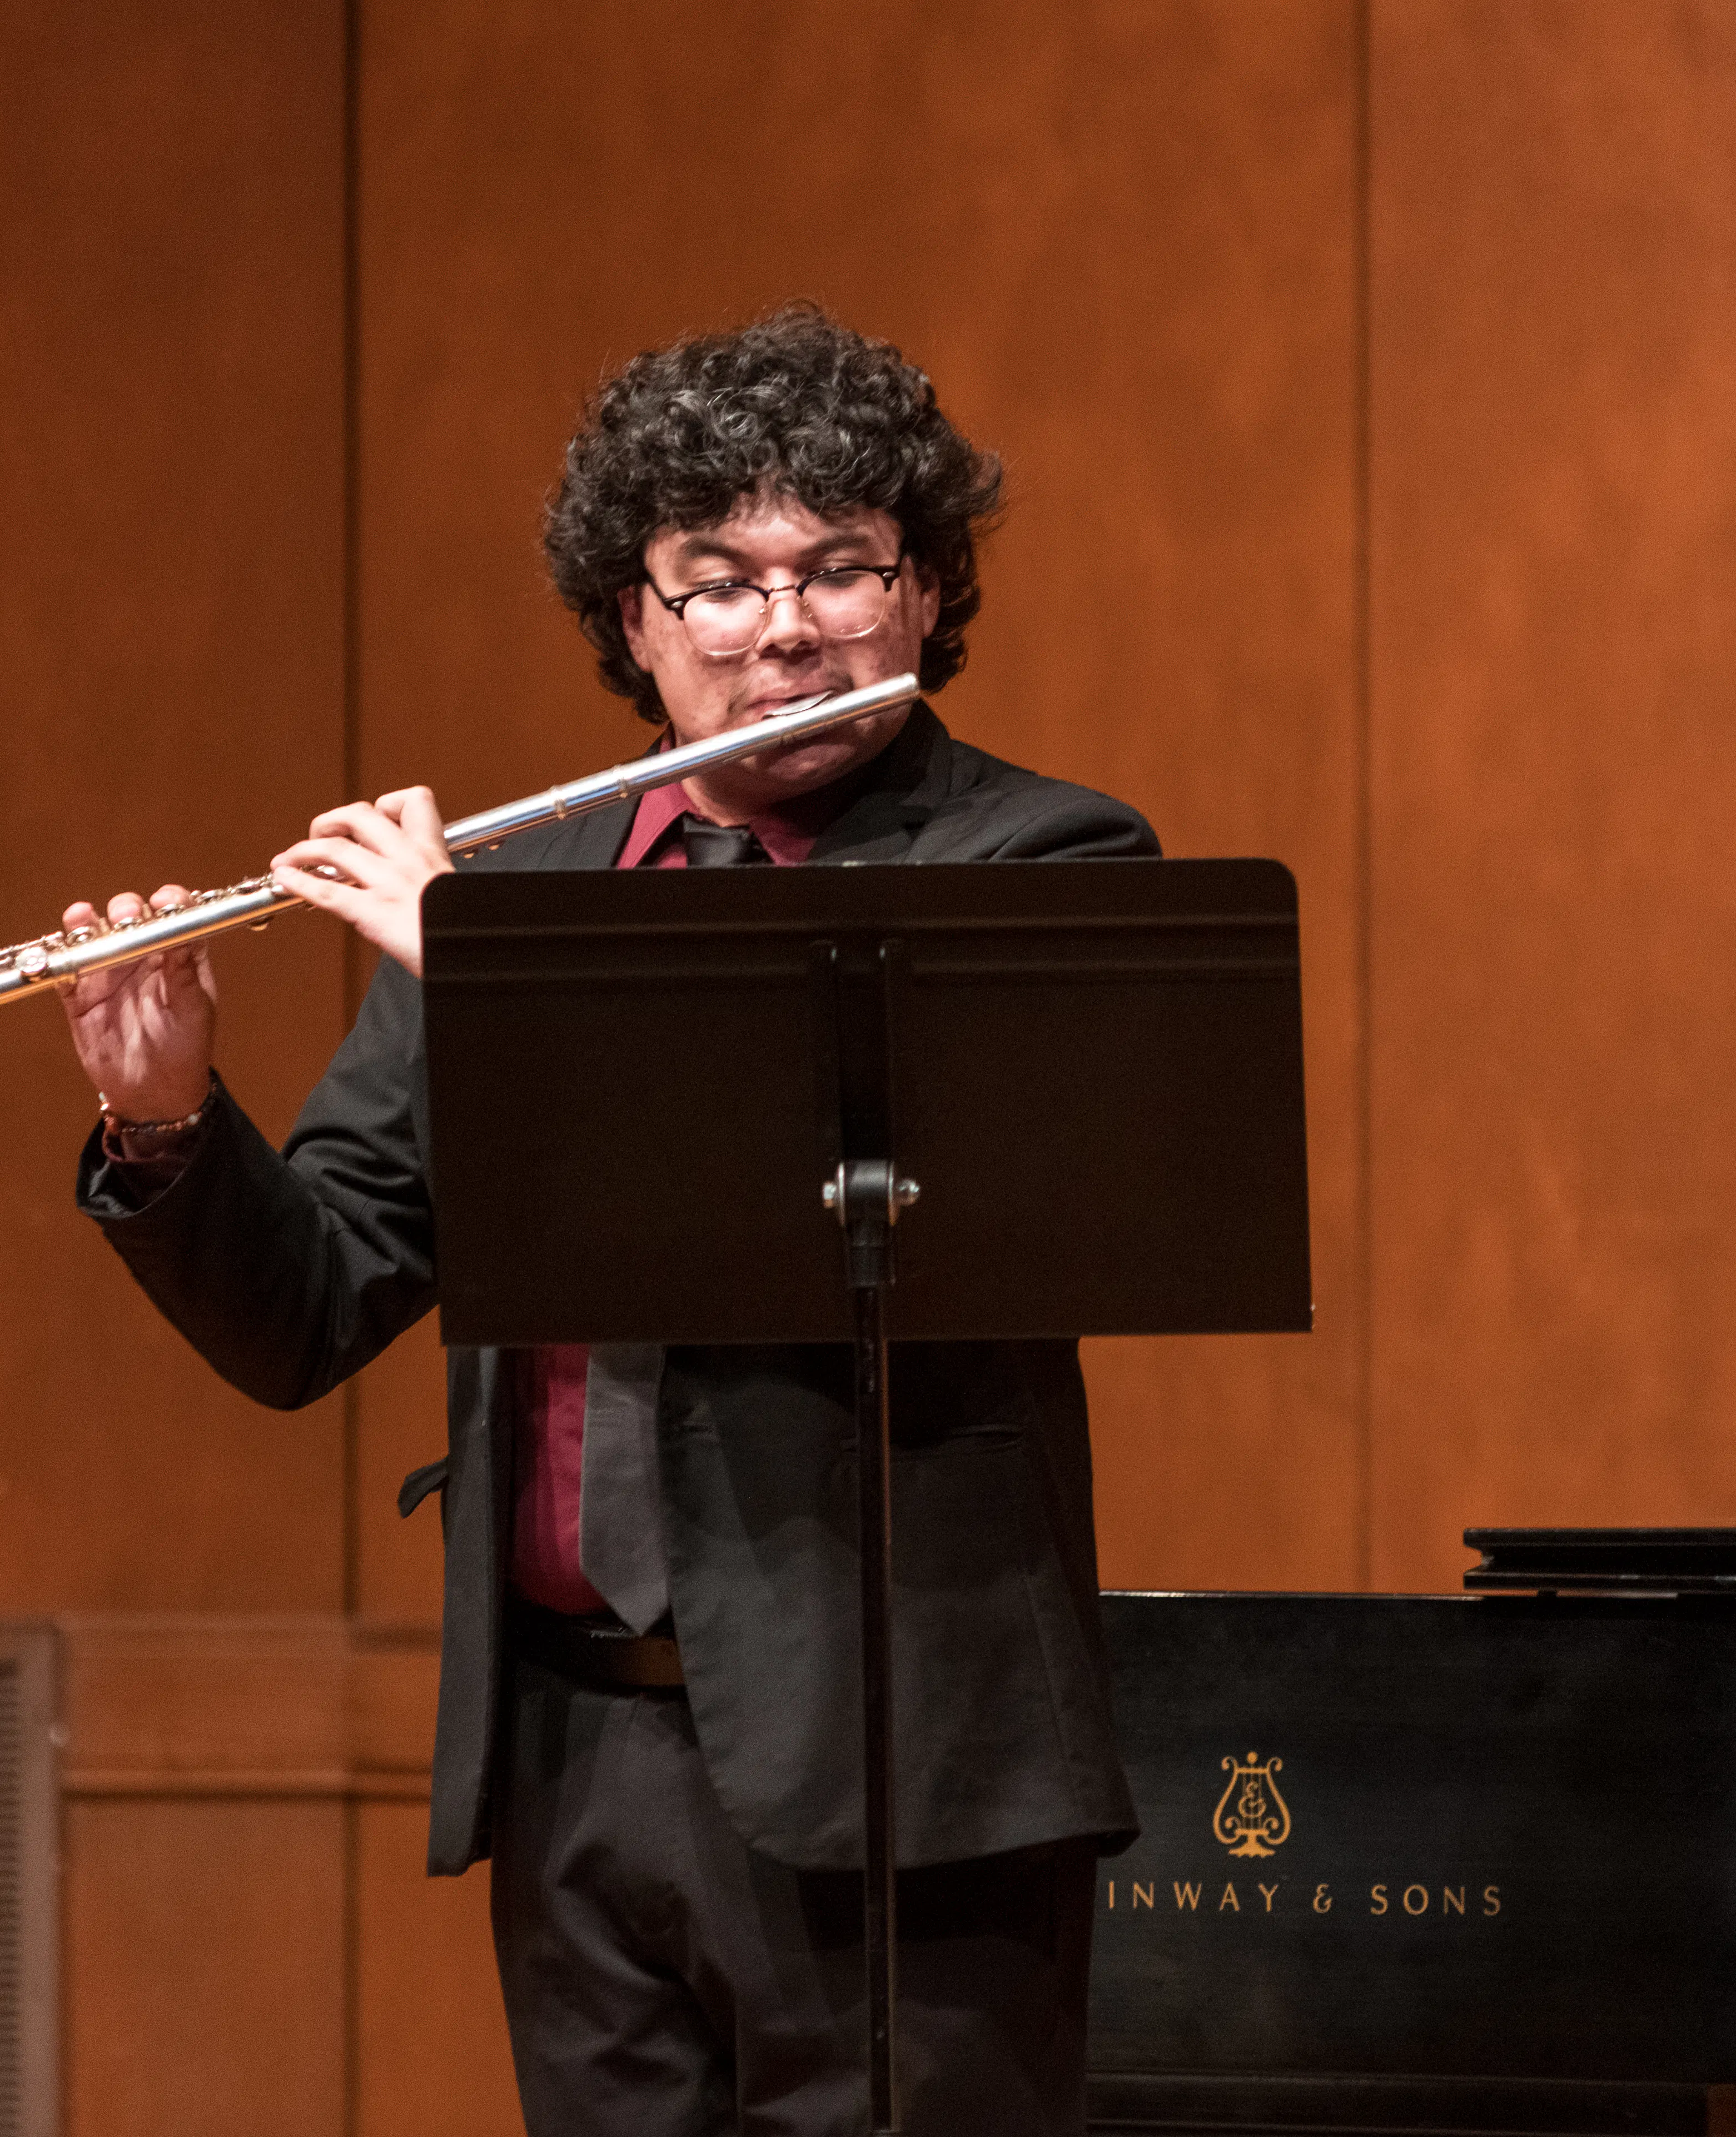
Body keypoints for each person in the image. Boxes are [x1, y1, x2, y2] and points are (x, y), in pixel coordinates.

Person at [61, 304, 1155, 2137]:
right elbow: (309, 1306)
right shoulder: (525, 895)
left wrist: (497, 984)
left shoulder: (1031, 866)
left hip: (902, 1768)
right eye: (714, 581)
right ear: (634, 628)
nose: (783, 625)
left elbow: (798, 1211)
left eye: (842, 569)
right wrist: (170, 1122)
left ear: (927, 593)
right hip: (572, 1762)